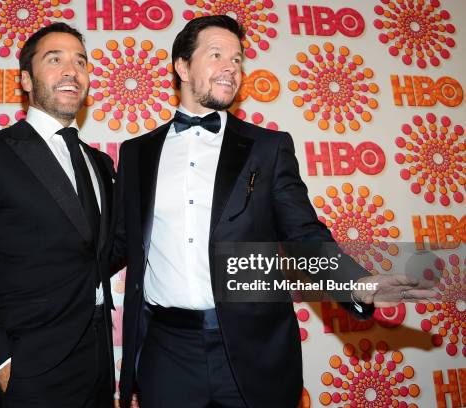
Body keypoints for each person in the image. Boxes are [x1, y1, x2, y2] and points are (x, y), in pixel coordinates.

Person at [112, 15, 435, 408]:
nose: (231, 68)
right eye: (216, 55)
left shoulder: (268, 147)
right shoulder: (136, 153)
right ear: (182, 66)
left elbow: (304, 235)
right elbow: (120, 241)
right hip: (167, 351)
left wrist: (357, 283)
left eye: (237, 59)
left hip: (253, 349)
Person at [0, 22, 116, 408]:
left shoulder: (99, 163)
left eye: (80, 61)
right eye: (55, 59)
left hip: (99, 367)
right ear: (26, 81)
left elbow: (104, 251)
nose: (72, 70)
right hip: (27, 368)